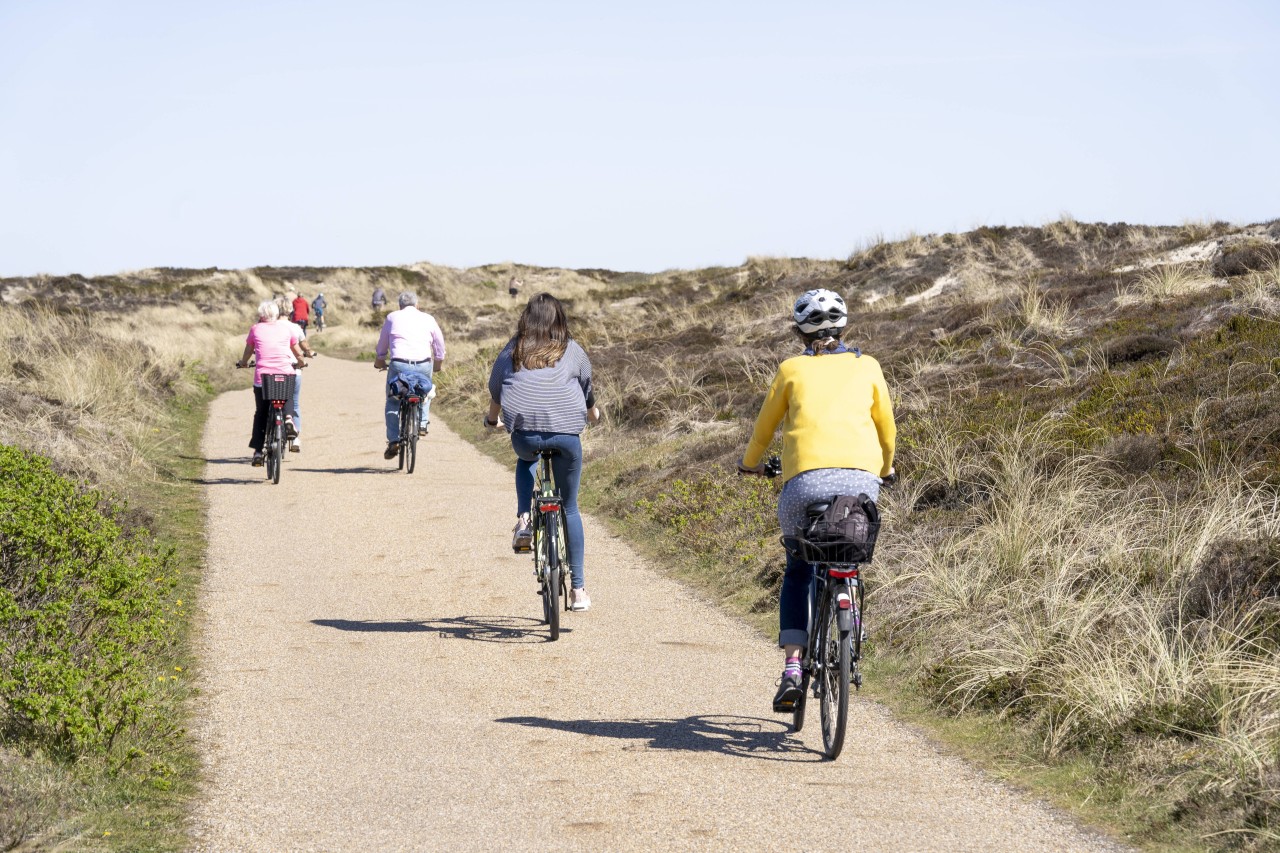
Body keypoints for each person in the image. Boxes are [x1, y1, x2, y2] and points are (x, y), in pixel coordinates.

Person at [737, 288, 896, 713]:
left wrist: (750, 464)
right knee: (848, 548)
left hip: (804, 485)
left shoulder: (791, 370)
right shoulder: (869, 366)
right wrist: (886, 468)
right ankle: (852, 618)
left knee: (798, 568)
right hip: (861, 482)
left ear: (798, 333)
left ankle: (793, 667)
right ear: (844, 328)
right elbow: (886, 430)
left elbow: (764, 427)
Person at [484, 293, 601, 611]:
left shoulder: (514, 348)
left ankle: (523, 519)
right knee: (571, 509)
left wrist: (491, 419)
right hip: (566, 436)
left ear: (527, 318)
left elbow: (496, 387)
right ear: (559, 319)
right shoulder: (571, 348)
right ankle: (578, 591)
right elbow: (586, 386)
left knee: (526, 460)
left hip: (525, 435)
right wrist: (593, 414)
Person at [374, 291, 446, 459]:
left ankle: (393, 440)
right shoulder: (428, 318)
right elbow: (439, 343)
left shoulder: (392, 317)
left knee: (393, 400)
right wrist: (438, 363)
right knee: (426, 392)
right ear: (417, 305)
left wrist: (380, 359)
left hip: (399, 363)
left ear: (400, 306)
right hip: (423, 363)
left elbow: (383, 343)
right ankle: (422, 424)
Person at [235, 300, 308, 466]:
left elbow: (248, 352)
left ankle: (258, 452)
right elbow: (297, 351)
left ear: (261, 315)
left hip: (263, 378)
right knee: (287, 395)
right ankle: (288, 419)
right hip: (285, 374)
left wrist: (244, 362)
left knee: (261, 413)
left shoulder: (256, 329)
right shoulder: (285, 329)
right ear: (276, 314)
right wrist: (301, 362)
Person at [281, 314, 317, 452]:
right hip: (292, 370)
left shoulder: (267, 327)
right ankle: (295, 437)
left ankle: (270, 433)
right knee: (294, 402)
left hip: (271, 373)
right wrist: (309, 353)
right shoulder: (294, 327)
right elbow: (302, 346)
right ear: (289, 312)